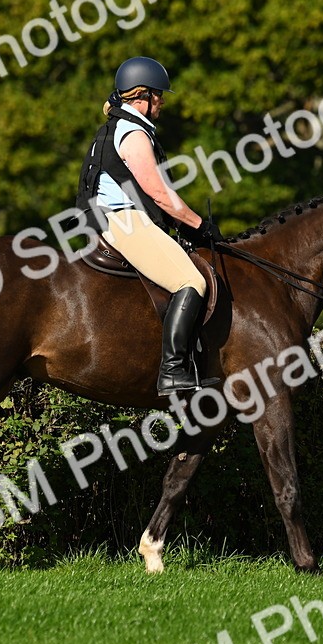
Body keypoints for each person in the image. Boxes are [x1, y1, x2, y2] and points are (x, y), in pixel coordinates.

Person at [85, 56, 223, 396]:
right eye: (158, 95)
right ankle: (173, 369)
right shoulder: (132, 132)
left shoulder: (122, 126)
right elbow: (159, 194)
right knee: (191, 280)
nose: (162, 102)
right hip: (123, 221)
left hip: (118, 218)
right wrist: (200, 225)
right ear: (142, 96)